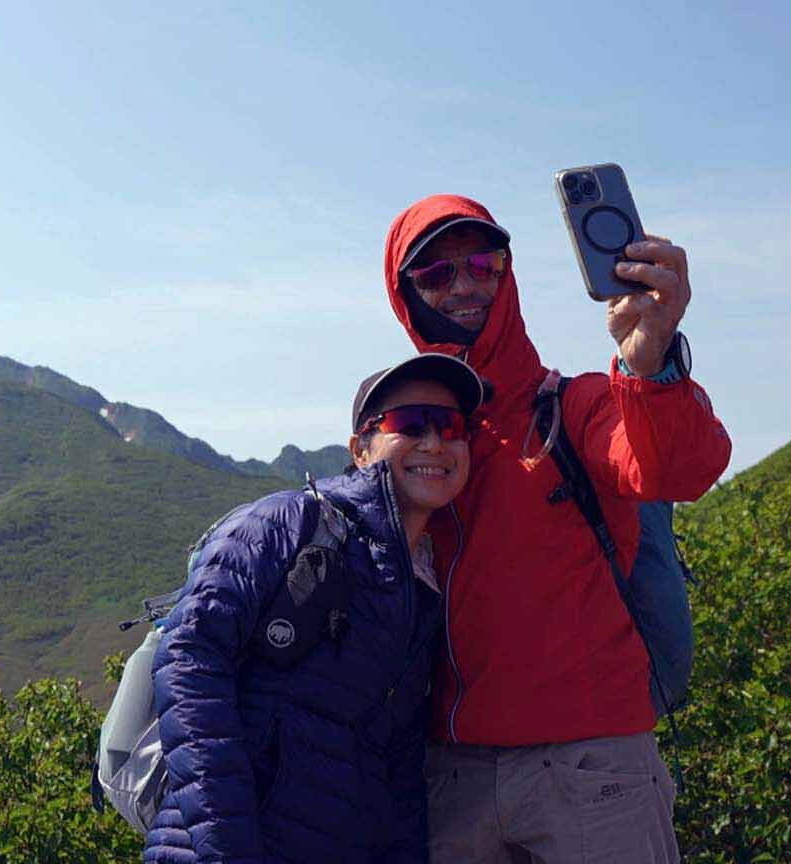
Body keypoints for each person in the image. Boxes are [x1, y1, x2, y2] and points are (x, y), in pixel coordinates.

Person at [381, 194, 732, 862]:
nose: (465, 285)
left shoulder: (580, 404)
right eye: (435, 274)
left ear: (507, 273)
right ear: (405, 296)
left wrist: (650, 360)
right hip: (452, 776)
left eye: (483, 262)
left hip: (594, 770)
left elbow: (677, 472)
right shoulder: (415, 444)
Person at [143, 353, 483, 864]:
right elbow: (188, 664)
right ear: (361, 449)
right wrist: (228, 849)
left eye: (451, 426)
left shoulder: (425, 588)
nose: (433, 442)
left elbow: (399, 766)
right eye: (408, 424)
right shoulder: (286, 522)